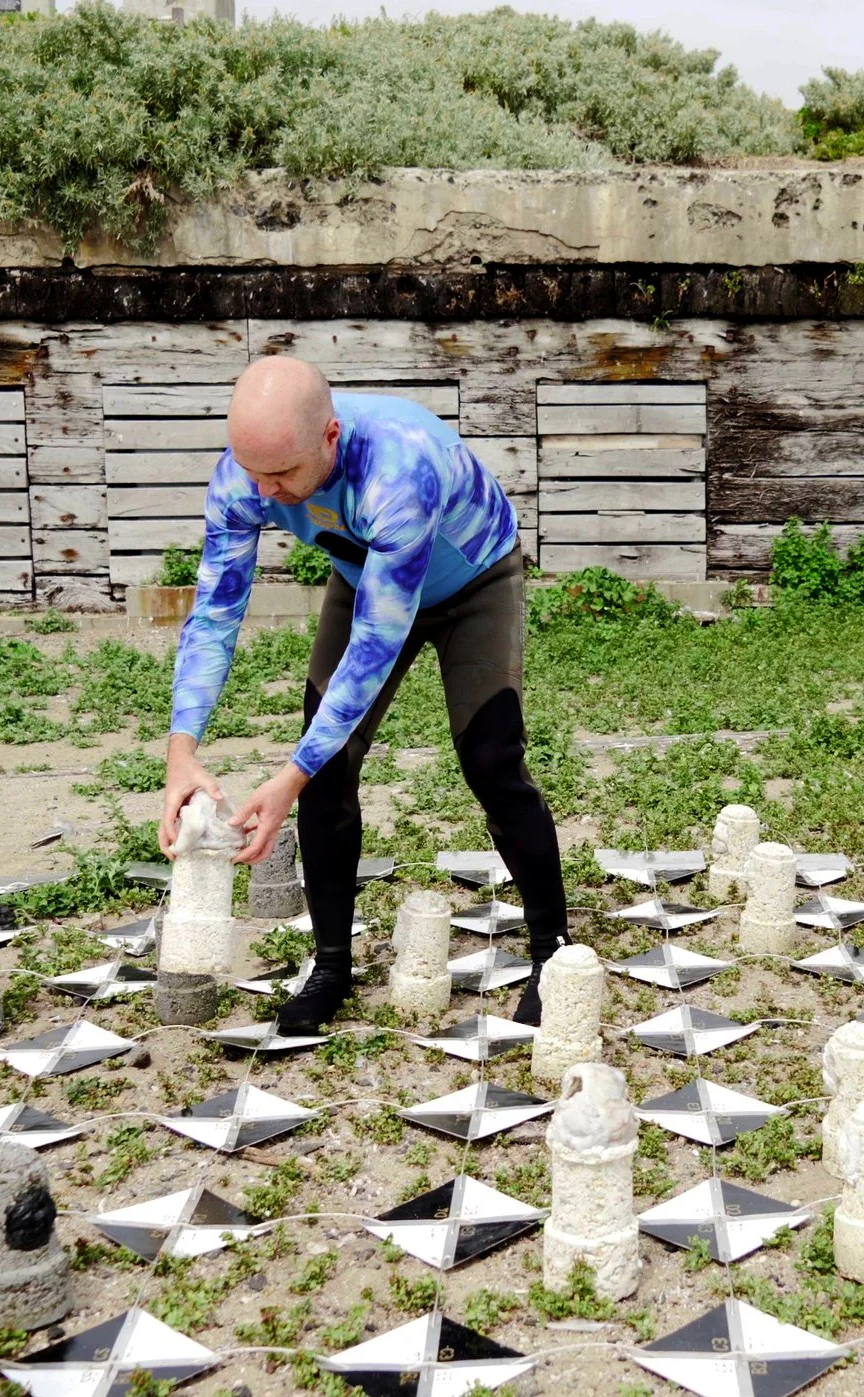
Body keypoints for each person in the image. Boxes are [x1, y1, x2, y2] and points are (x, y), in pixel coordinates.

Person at [158, 356, 568, 1033]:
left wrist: (287, 776)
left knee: (491, 759)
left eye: (284, 474)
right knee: (326, 768)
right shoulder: (249, 472)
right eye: (255, 474)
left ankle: (553, 948)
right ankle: (330, 964)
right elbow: (216, 610)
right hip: (368, 573)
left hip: (474, 579)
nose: (269, 493)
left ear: (330, 437)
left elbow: (376, 645)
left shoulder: (398, 468)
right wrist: (182, 748)